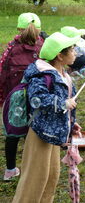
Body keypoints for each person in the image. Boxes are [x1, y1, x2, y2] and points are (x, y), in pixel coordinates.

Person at [12, 32, 82, 203]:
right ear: (60, 55)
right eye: (72, 50)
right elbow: (38, 99)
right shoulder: (42, 74)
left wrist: (71, 122)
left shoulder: (61, 73)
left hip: (54, 133)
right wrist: (62, 103)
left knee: (51, 177)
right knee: (34, 180)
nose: (76, 53)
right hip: (41, 133)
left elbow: (64, 104)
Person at [0, 13, 44, 181]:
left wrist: (1, 98)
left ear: (19, 29)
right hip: (38, 97)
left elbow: (2, 73)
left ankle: (10, 170)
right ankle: (32, 169)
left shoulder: (12, 48)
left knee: (12, 133)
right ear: (39, 29)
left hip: (15, 98)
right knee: (32, 132)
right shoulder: (44, 46)